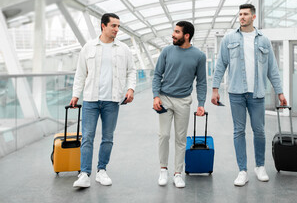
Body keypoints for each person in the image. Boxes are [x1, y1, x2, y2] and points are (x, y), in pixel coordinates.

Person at [211, 4, 287, 186]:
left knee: (259, 131)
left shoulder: (264, 41)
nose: (242, 17)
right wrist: (215, 89)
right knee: (239, 131)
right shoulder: (229, 38)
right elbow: (221, 64)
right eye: (240, 14)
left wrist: (280, 92)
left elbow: (272, 69)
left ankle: (260, 166)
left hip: (257, 93)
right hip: (236, 92)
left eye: (245, 14)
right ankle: (242, 170)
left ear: (253, 17)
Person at [70, 13, 136, 188]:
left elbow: (132, 71)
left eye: (118, 26)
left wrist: (130, 89)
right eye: (113, 26)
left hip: (112, 100)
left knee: (107, 138)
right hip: (91, 99)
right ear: (103, 26)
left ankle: (101, 171)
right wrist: (76, 95)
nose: (116, 29)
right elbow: (80, 73)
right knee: (88, 137)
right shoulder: (89, 47)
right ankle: (84, 173)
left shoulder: (123, 49)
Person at [152, 21, 207, 188]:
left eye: (176, 32)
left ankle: (177, 173)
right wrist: (156, 96)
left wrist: (201, 103)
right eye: (173, 31)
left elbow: (202, 82)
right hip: (165, 99)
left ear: (186, 35)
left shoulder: (199, 55)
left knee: (181, 139)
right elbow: (156, 75)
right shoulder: (167, 51)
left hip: (184, 101)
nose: (173, 35)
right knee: (164, 135)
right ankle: (163, 170)